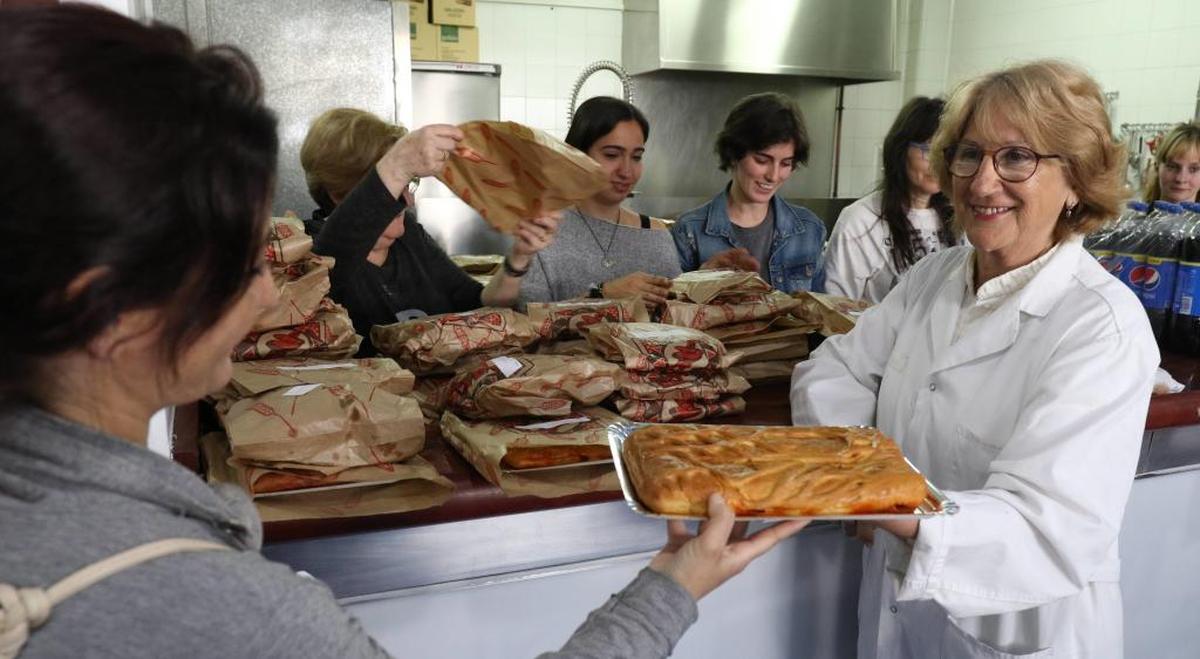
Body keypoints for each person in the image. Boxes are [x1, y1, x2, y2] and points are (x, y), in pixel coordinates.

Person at [0, 6, 807, 658]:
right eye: (243, 266)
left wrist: (517, 269)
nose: (267, 300)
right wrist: (674, 584)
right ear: (112, 308)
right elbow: (334, 253)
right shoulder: (223, 608)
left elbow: (471, 305)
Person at [790, 59, 1157, 658]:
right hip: (899, 613)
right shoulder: (932, 279)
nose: (983, 183)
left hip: (1015, 630)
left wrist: (882, 500)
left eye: (1018, 158)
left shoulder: (1100, 326)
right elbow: (836, 369)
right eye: (969, 154)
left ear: (1076, 180)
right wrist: (856, 471)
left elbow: (1045, 529)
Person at [301, 108, 560, 355]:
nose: (409, 201)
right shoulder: (310, 255)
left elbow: (477, 306)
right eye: (397, 185)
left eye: (408, 184)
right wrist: (399, 162)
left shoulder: (411, 238)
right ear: (339, 194)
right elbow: (340, 247)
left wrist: (518, 259)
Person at [519, 96, 680, 306]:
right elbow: (524, 323)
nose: (627, 171)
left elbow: (678, 317)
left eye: (636, 157)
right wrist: (601, 296)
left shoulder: (656, 235)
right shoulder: (541, 231)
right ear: (577, 155)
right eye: (612, 155)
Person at [671, 92, 827, 293]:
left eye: (786, 163)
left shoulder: (809, 229)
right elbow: (668, 315)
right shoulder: (689, 231)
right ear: (734, 154)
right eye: (762, 161)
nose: (773, 175)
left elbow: (821, 313)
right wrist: (702, 280)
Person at [824, 97, 957, 303]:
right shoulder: (861, 220)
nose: (938, 164)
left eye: (947, 152)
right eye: (928, 151)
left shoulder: (960, 217)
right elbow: (836, 307)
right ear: (901, 150)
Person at [1142, 121, 1200, 204]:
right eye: (1172, 167)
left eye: (1194, 169)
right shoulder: (1133, 216)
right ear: (1157, 167)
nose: (1181, 179)